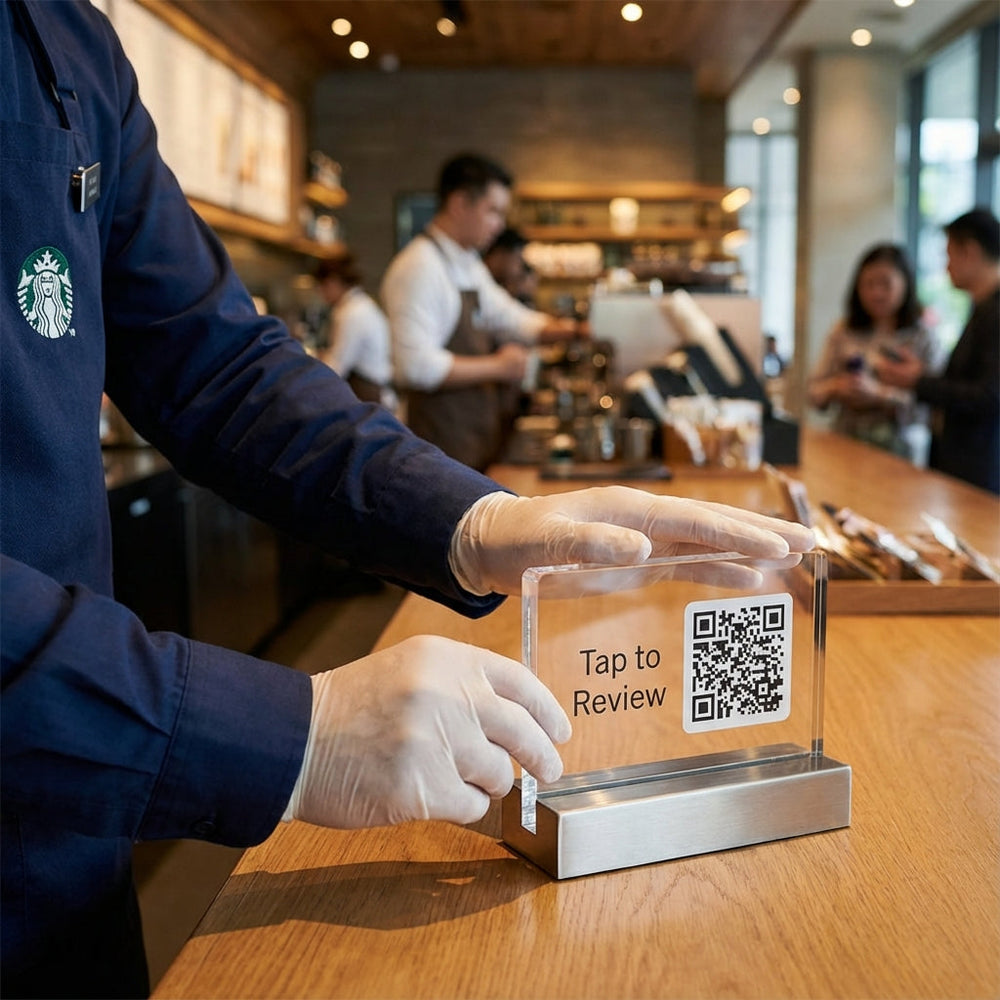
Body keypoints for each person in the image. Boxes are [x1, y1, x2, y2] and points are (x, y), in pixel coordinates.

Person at [0, 4, 814, 996]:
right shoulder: (422, 265)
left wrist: (473, 520)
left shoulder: (69, 39)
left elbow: (216, 365)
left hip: (76, 818)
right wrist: (291, 734)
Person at [380, 153, 584, 471]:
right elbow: (414, 366)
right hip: (437, 446)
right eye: (493, 211)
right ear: (459, 203)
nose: (499, 225)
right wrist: (498, 367)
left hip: (467, 441)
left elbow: (508, 316)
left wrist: (574, 330)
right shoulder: (419, 267)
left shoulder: (467, 263)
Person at [875, 209, 1000, 494]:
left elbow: (990, 396)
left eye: (949, 255)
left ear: (970, 251)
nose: (947, 267)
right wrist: (920, 375)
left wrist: (918, 382)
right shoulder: (983, 309)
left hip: (981, 473)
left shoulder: (995, 313)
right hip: (967, 466)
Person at [807, 243, 936, 459]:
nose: (876, 293)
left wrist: (880, 395)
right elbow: (813, 391)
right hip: (845, 445)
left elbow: (933, 406)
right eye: (868, 284)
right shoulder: (844, 330)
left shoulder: (922, 337)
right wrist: (837, 387)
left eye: (886, 284)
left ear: (906, 283)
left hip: (900, 453)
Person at [314, 254, 398, 412]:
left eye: (321, 287)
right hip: (373, 393)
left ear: (332, 282)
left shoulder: (352, 313)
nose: (321, 294)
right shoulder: (360, 305)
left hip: (369, 396)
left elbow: (336, 367)